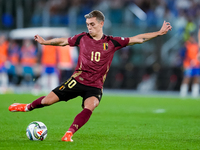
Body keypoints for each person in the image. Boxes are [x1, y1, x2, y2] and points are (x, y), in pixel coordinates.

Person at [8, 10, 172, 142]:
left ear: (101, 24)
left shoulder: (112, 42)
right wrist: (46, 42)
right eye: (87, 24)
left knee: (90, 106)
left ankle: (69, 134)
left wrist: (158, 33)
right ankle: (27, 107)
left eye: (92, 24)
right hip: (76, 81)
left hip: (94, 86)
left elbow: (139, 39)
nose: (89, 27)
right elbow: (64, 41)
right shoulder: (82, 38)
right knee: (47, 101)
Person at [180, 33, 200, 98]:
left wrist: (196, 61)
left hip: (196, 64)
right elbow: (183, 55)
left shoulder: (197, 45)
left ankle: (195, 93)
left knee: (196, 78)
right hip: (188, 64)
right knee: (187, 78)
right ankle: (183, 92)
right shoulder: (186, 45)